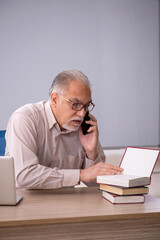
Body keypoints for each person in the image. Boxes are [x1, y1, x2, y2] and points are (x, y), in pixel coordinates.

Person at [5, 70, 123, 189]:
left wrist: (91, 153)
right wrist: (81, 175)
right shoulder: (25, 118)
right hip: (26, 203)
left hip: (67, 203)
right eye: (75, 104)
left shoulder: (85, 127)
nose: (82, 114)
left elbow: (97, 185)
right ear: (54, 99)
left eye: (86, 106)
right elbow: (24, 176)